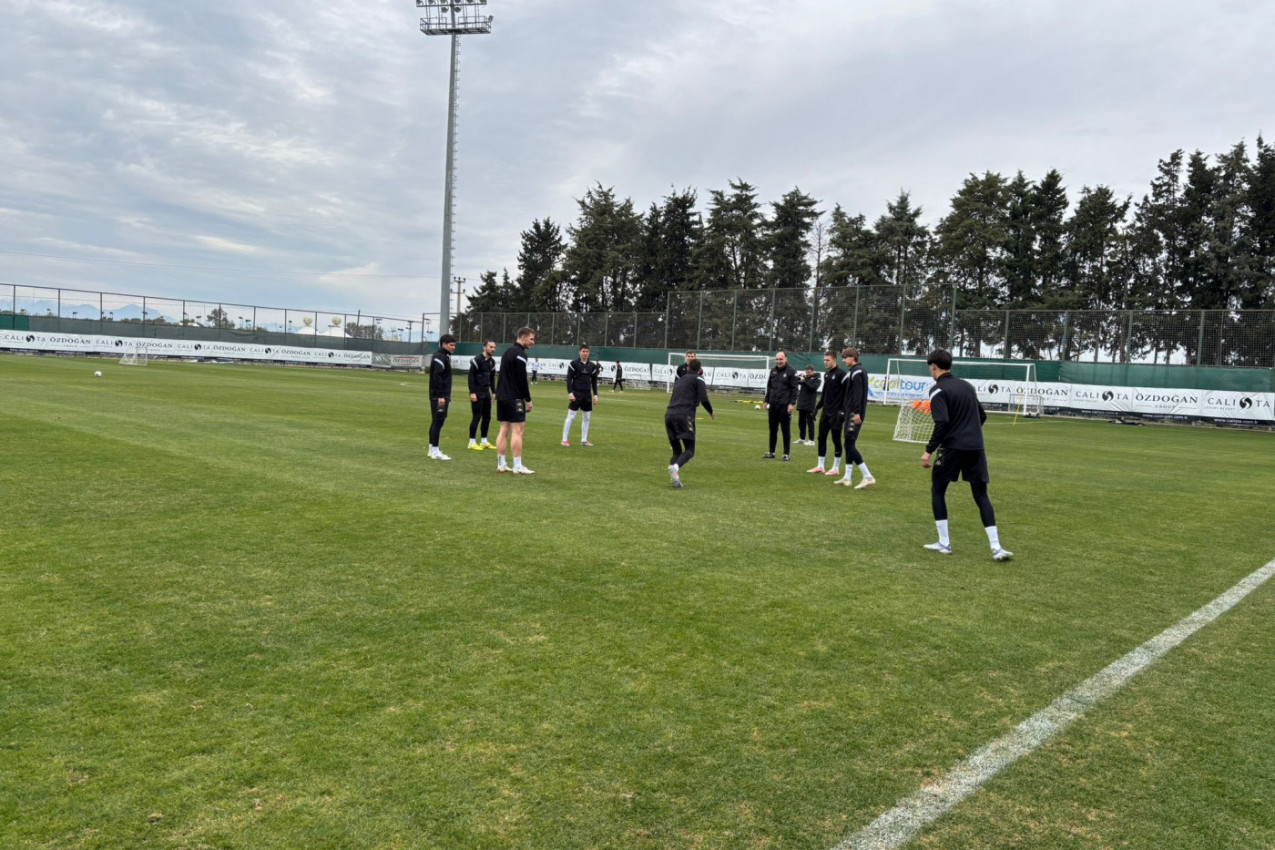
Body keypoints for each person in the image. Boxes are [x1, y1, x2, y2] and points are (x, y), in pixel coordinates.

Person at [921, 349, 1012, 560]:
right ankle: (996, 548)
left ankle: (944, 543)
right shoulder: (967, 386)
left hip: (952, 448)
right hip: (976, 447)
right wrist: (969, 432)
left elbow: (942, 422)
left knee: (938, 490)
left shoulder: (937, 389)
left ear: (933, 366)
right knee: (981, 494)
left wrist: (928, 450)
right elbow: (982, 416)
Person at [665, 359, 714, 489]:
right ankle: (675, 467)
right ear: (700, 370)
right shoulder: (699, 379)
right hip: (684, 416)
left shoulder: (679, 381)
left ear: (687, 369)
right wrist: (711, 412)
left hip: (669, 415)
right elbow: (704, 399)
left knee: (676, 451)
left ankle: (674, 478)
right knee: (690, 450)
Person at [495, 327, 536, 474]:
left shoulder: (507, 352)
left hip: (502, 397)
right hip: (514, 397)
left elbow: (501, 374)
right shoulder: (520, 354)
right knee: (518, 431)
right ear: (523, 338)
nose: (533, 342)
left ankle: (501, 464)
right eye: (531, 339)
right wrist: (528, 399)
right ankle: (517, 466)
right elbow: (521, 379)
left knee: (503, 430)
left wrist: (497, 393)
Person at [835, 347, 876, 488]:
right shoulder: (854, 371)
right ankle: (847, 478)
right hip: (850, 412)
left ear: (852, 358)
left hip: (854, 413)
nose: (843, 360)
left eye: (845, 357)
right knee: (848, 443)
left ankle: (868, 476)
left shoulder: (857, 371)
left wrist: (857, 413)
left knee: (849, 444)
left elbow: (858, 394)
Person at [808, 351, 845, 476]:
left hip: (836, 413)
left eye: (828, 360)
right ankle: (820, 466)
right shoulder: (827, 375)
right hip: (826, 412)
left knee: (836, 439)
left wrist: (843, 411)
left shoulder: (841, 374)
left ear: (835, 360)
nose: (825, 362)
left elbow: (846, 394)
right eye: (824, 360)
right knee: (821, 438)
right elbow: (824, 394)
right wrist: (817, 408)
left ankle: (836, 468)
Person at [562, 344, 601, 447]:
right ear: (579, 352)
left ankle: (584, 440)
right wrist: (570, 393)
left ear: (589, 353)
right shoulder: (573, 364)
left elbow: (594, 382)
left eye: (587, 351)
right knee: (571, 417)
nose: (585, 353)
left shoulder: (592, 366)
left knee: (587, 418)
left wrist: (595, 395)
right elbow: (569, 379)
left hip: (587, 395)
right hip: (576, 393)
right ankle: (564, 440)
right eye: (583, 351)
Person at [762, 350, 799, 460]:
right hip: (773, 405)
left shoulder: (792, 372)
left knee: (785, 430)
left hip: (784, 406)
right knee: (773, 430)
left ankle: (786, 454)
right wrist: (766, 400)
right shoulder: (773, 371)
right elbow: (769, 387)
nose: (778, 361)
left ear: (786, 359)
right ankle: (771, 452)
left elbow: (794, 389)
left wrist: (792, 403)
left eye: (781, 359)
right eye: (777, 359)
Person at [427, 334, 457, 460]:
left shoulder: (444, 356)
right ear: (444, 344)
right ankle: (435, 451)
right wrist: (441, 396)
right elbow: (437, 377)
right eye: (451, 345)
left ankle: (431, 449)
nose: (454, 347)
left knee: (436, 421)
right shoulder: (440, 357)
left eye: (454, 345)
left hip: (440, 396)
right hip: (439, 397)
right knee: (438, 422)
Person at [467, 339, 497, 451]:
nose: (493, 349)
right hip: (477, 393)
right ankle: (471, 442)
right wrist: (472, 392)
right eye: (490, 347)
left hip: (486, 393)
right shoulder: (477, 360)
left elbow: (492, 378)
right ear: (484, 348)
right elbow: (470, 376)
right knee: (476, 417)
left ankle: (484, 441)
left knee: (487, 417)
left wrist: (494, 392)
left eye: (494, 347)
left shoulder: (492, 362)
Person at [796, 364, 821, 446]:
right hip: (802, 403)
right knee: (801, 422)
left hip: (810, 404)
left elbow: (813, 388)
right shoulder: (805, 378)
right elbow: (797, 382)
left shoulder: (817, 379)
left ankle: (811, 440)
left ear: (812, 371)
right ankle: (802, 438)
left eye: (809, 372)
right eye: (806, 372)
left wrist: (804, 382)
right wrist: (797, 377)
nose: (807, 373)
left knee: (810, 422)